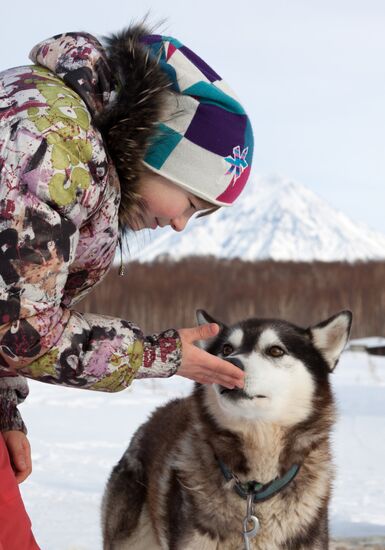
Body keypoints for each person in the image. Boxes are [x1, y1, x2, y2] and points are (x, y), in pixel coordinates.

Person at [0, 23, 253, 547]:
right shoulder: (52, 142)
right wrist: (161, 354)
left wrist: (3, 406)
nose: (183, 223)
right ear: (157, 151)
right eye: (192, 202)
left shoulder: (55, 126)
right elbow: (19, 328)